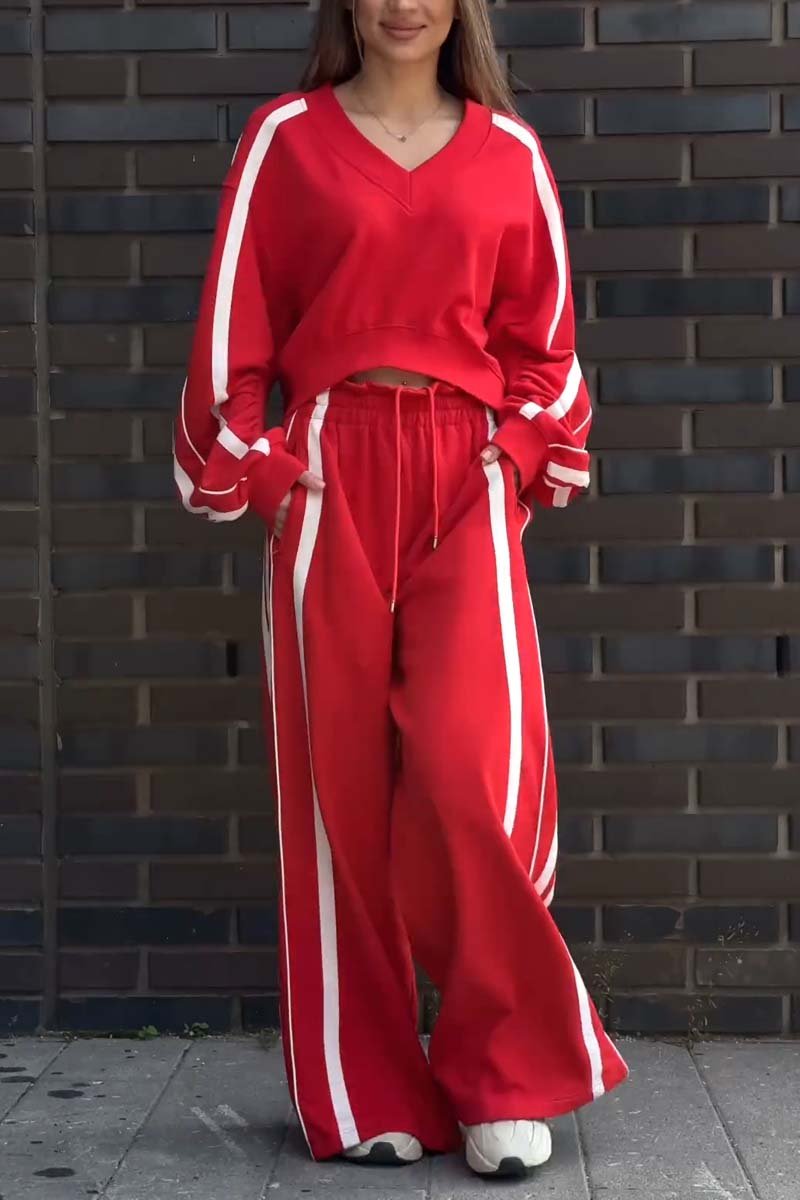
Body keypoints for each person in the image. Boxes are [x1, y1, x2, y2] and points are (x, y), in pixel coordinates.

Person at [173, 0, 630, 1180]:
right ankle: (362, 1085)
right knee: (336, 792)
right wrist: (264, 470)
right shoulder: (284, 139)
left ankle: (501, 1077)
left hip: (464, 474)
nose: (402, 3)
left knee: (467, 774)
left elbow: (545, 345)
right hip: (330, 472)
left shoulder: (508, 152)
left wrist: (516, 457)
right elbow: (232, 330)